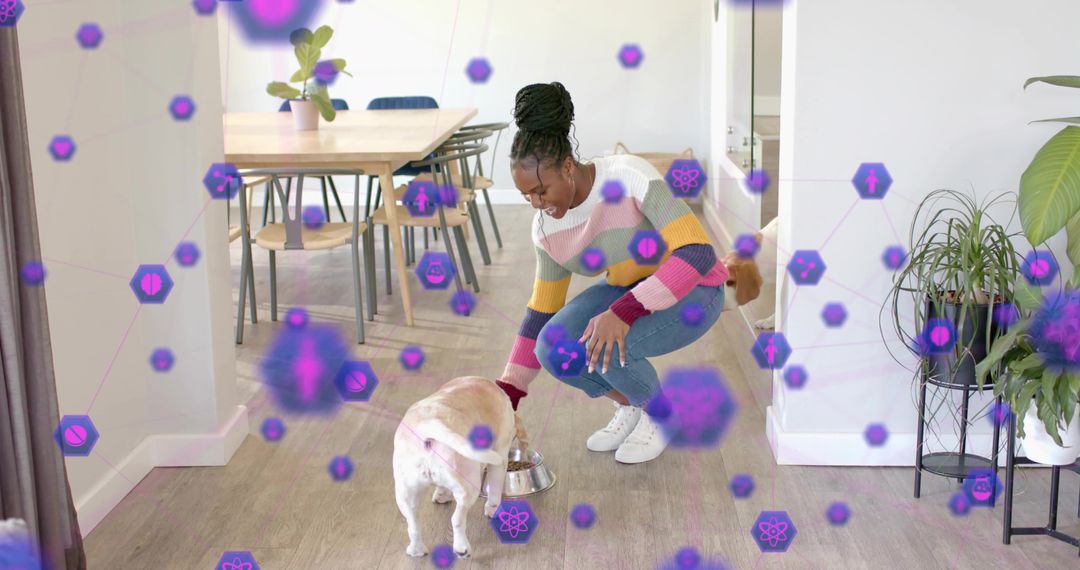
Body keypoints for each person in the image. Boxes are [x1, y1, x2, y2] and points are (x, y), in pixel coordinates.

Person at [495, 82, 761, 464]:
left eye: (542, 190)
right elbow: (540, 314)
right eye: (527, 196)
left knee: (608, 341)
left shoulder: (629, 176)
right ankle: (633, 405)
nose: (538, 204)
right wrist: (509, 392)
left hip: (695, 290)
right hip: (628, 290)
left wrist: (622, 312)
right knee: (553, 345)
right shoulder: (547, 229)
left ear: (567, 167)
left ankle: (661, 415)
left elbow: (698, 254)